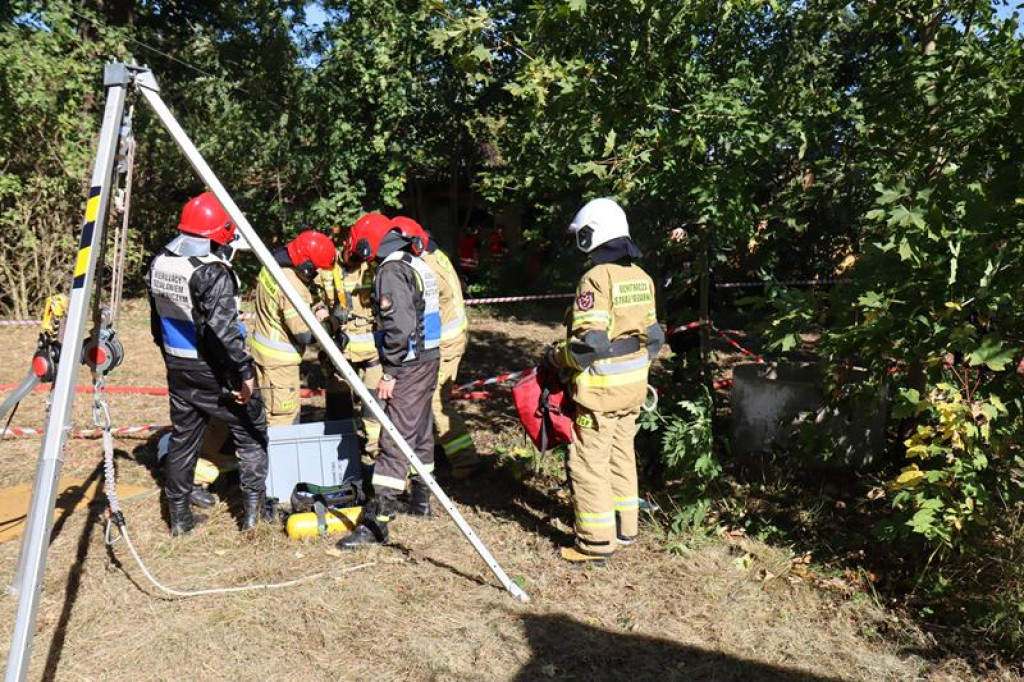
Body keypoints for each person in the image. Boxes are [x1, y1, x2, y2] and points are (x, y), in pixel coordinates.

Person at [547, 197, 664, 564]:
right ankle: (625, 528)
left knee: (588, 462)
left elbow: (590, 345)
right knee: (621, 454)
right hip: (633, 389)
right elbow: (655, 338)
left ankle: (596, 542)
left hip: (599, 393)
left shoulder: (596, 277)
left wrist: (556, 358)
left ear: (591, 234)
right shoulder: (641, 277)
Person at [145, 191, 269, 535]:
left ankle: (180, 520)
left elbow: (157, 322)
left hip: (178, 365)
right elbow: (224, 332)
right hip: (214, 370)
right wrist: (243, 373)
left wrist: (172, 358)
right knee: (252, 430)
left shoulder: (160, 262)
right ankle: (252, 517)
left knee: (184, 440)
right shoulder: (212, 272)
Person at [337, 214, 442, 548]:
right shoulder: (414, 261)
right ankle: (421, 498)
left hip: (408, 364)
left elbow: (399, 326)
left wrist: (390, 372)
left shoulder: (391, 270)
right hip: (428, 359)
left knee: (393, 435)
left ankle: (376, 521)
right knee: (420, 427)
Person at [392, 216, 480, 479]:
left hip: (445, 342)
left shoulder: (426, 268)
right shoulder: (435, 252)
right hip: (449, 336)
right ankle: (439, 453)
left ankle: (466, 463)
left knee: (437, 402)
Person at [318, 214, 388, 486]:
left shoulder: (374, 267)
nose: (356, 258)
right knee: (338, 410)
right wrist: (324, 315)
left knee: (374, 412)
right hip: (339, 353)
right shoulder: (326, 267)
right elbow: (312, 301)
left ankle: (377, 463)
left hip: (371, 352)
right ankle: (341, 459)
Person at [250, 230, 336, 426]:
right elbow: (304, 334)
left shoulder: (273, 266)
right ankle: (279, 457)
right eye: (314, 270)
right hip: (280, 363)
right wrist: (332, 323)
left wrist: (317, 305)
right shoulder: (292, 287)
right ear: (306, 267)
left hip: (264, 355)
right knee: (283, 419)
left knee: (266, 412)